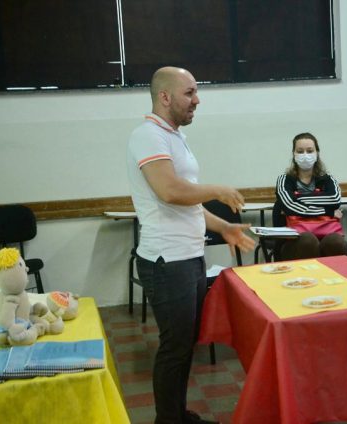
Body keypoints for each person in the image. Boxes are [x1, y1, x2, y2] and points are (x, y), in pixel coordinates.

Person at [126, 66, 254, 424]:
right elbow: (169, 191)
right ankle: (168, 420)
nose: (197, 100)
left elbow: (188, 204)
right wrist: (217, 190)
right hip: (167, 261)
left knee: (184, 346)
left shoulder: (174, 136)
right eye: (189, 92)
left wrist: (224, 227)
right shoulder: (148, 135)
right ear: (165, 97)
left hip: (188, 256)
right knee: (175, 347)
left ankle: (177, 415)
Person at [274, 132, 347, 260]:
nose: (305, 155)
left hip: (327, 233)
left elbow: (334, 199)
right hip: (292, 239)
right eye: (300, 151)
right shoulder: (284, 179)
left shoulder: (328, 179)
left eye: (309, 151)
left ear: (317, 153)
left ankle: (337, 273)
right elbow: (290, 206)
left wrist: (298, 198)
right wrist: (328, 211)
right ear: (294, 154)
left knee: (336, 242)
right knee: (307, 240)